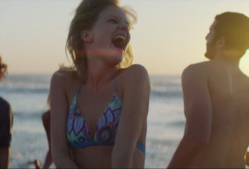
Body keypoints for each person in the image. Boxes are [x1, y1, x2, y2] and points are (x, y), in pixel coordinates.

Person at [49, 0, 150, 168]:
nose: (124, 28)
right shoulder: (62, 82)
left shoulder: (134, 77)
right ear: (86, 35)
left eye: (127, 26)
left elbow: (122, 154)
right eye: (113, 21)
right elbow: (60, 154)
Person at [168, 12, 249, 168]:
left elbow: (197, 136)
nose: (206, 38)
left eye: (210, 32)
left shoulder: (197, 73)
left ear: (221, 42)